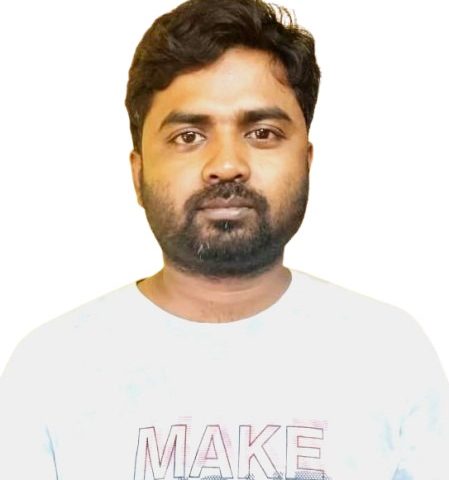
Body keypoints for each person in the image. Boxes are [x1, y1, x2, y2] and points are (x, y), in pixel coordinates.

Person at [1, 0, 448, 478]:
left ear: (307, 162)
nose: (228, 164)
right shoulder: (51, 369)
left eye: (262, 132)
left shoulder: (390, 354)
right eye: (189, 136)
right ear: (138, 174)